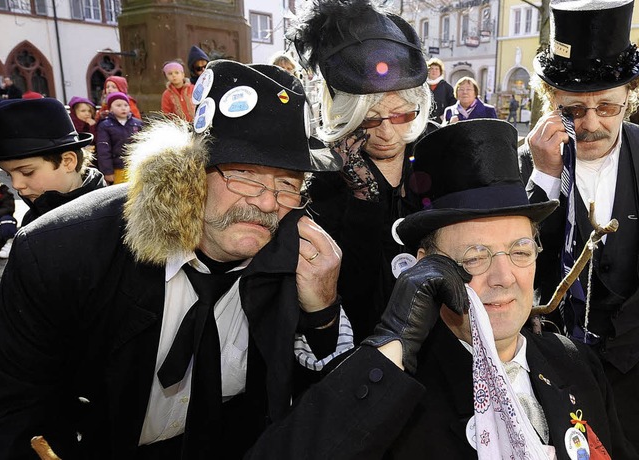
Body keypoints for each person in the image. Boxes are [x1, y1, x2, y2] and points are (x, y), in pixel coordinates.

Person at [0, 59, 351, 460]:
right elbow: (16, 410)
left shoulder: (298, 259)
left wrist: (323, 309)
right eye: (245, 174)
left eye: (287, 183)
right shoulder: (60, 253)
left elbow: (317, 401)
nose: (267, 202)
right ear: (190, 174)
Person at [249, 119, 638, 459]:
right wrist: (394, 342)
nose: (504, 277)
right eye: (474, 257)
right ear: (426, 268)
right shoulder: (394, 395)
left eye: (520, 251)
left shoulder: (574, 362)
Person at [519, 0, 639, 451]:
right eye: (574, 110)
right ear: (551, 102)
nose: (590, 125)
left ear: (629, 97)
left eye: (607, 108)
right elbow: (514, 253)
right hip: (550, 370)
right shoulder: (524, 162)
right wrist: (545, 177)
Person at [289, 0, 433, 342]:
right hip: (358, 340)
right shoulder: (320, 174)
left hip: (435, 338)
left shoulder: (435, 151)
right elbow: (345, 284)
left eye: (401, 116)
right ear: (344, 114)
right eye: (369, 119)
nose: (386, 133)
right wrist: (363, 201)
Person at [0, 98, 106, 228]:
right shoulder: (32, 218)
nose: (16, 185)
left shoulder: (109, 219)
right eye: (9, 174)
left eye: (26, 172)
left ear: (68, 161)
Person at [96, 91, 143, 185]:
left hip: (136, 166)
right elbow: (103, 151)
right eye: (118, 105)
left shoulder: (137, 124)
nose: (123, 108)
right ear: (110, 109)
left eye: (126, 105)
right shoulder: (105, 125)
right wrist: (107, 171)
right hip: (117, 168)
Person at [426, 57, 456, 123]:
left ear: (440, 72)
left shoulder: (447, 87)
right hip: (424, 121)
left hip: (440, 122)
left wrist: (445, 116)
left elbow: (453, 103)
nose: (434, 71)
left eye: (437, 69)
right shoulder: (423, 86)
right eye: (431, 69)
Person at [0, 182, 17, 259]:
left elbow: (9, 209)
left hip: (1, 221)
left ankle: (9, 242)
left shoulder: (5, 194)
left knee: (8, 220)